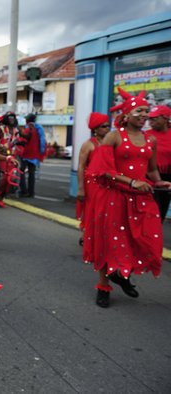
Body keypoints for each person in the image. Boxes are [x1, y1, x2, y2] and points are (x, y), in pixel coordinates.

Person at [83, 88, 171, 308]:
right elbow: (102, 169)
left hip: (140, 198)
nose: (144, 115)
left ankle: (121, 274)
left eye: (146, 111)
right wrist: (131, 182)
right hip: (114, 196)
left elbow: (151, 170)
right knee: (109, 241)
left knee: (141, 238)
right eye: (139, 110)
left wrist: (158, 181)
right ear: (127, 114)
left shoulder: (150, 140)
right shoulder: (113, 136)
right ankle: (104, 286)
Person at [76, 112, 110, 232]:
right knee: (92, 210)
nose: (107, 129)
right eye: (104, 126)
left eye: (108, 126)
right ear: (95, 128)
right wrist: (80, 188)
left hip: (108, 183)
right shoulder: (88, 145)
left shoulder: (110, 143)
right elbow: (81, 166)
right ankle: (88, 235)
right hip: (93, 185)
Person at [146, 105, 171, 221]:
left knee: (162, 210)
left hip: (167, 177)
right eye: (150, 118)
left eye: (154, 119)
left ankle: (155, 236)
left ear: (165, 118)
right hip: (149, 176)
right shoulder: (146, 135)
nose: (151, 121)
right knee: (152, 210)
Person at [19, 113, 46, 198]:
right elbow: (42, 140)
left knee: (21, 171)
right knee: (32, 174)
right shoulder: (39, 128)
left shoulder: (28, 128)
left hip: (26, 153)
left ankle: (23, 191)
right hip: (34, 154)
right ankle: (31, 193)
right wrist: (41, 151)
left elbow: (23, 140)